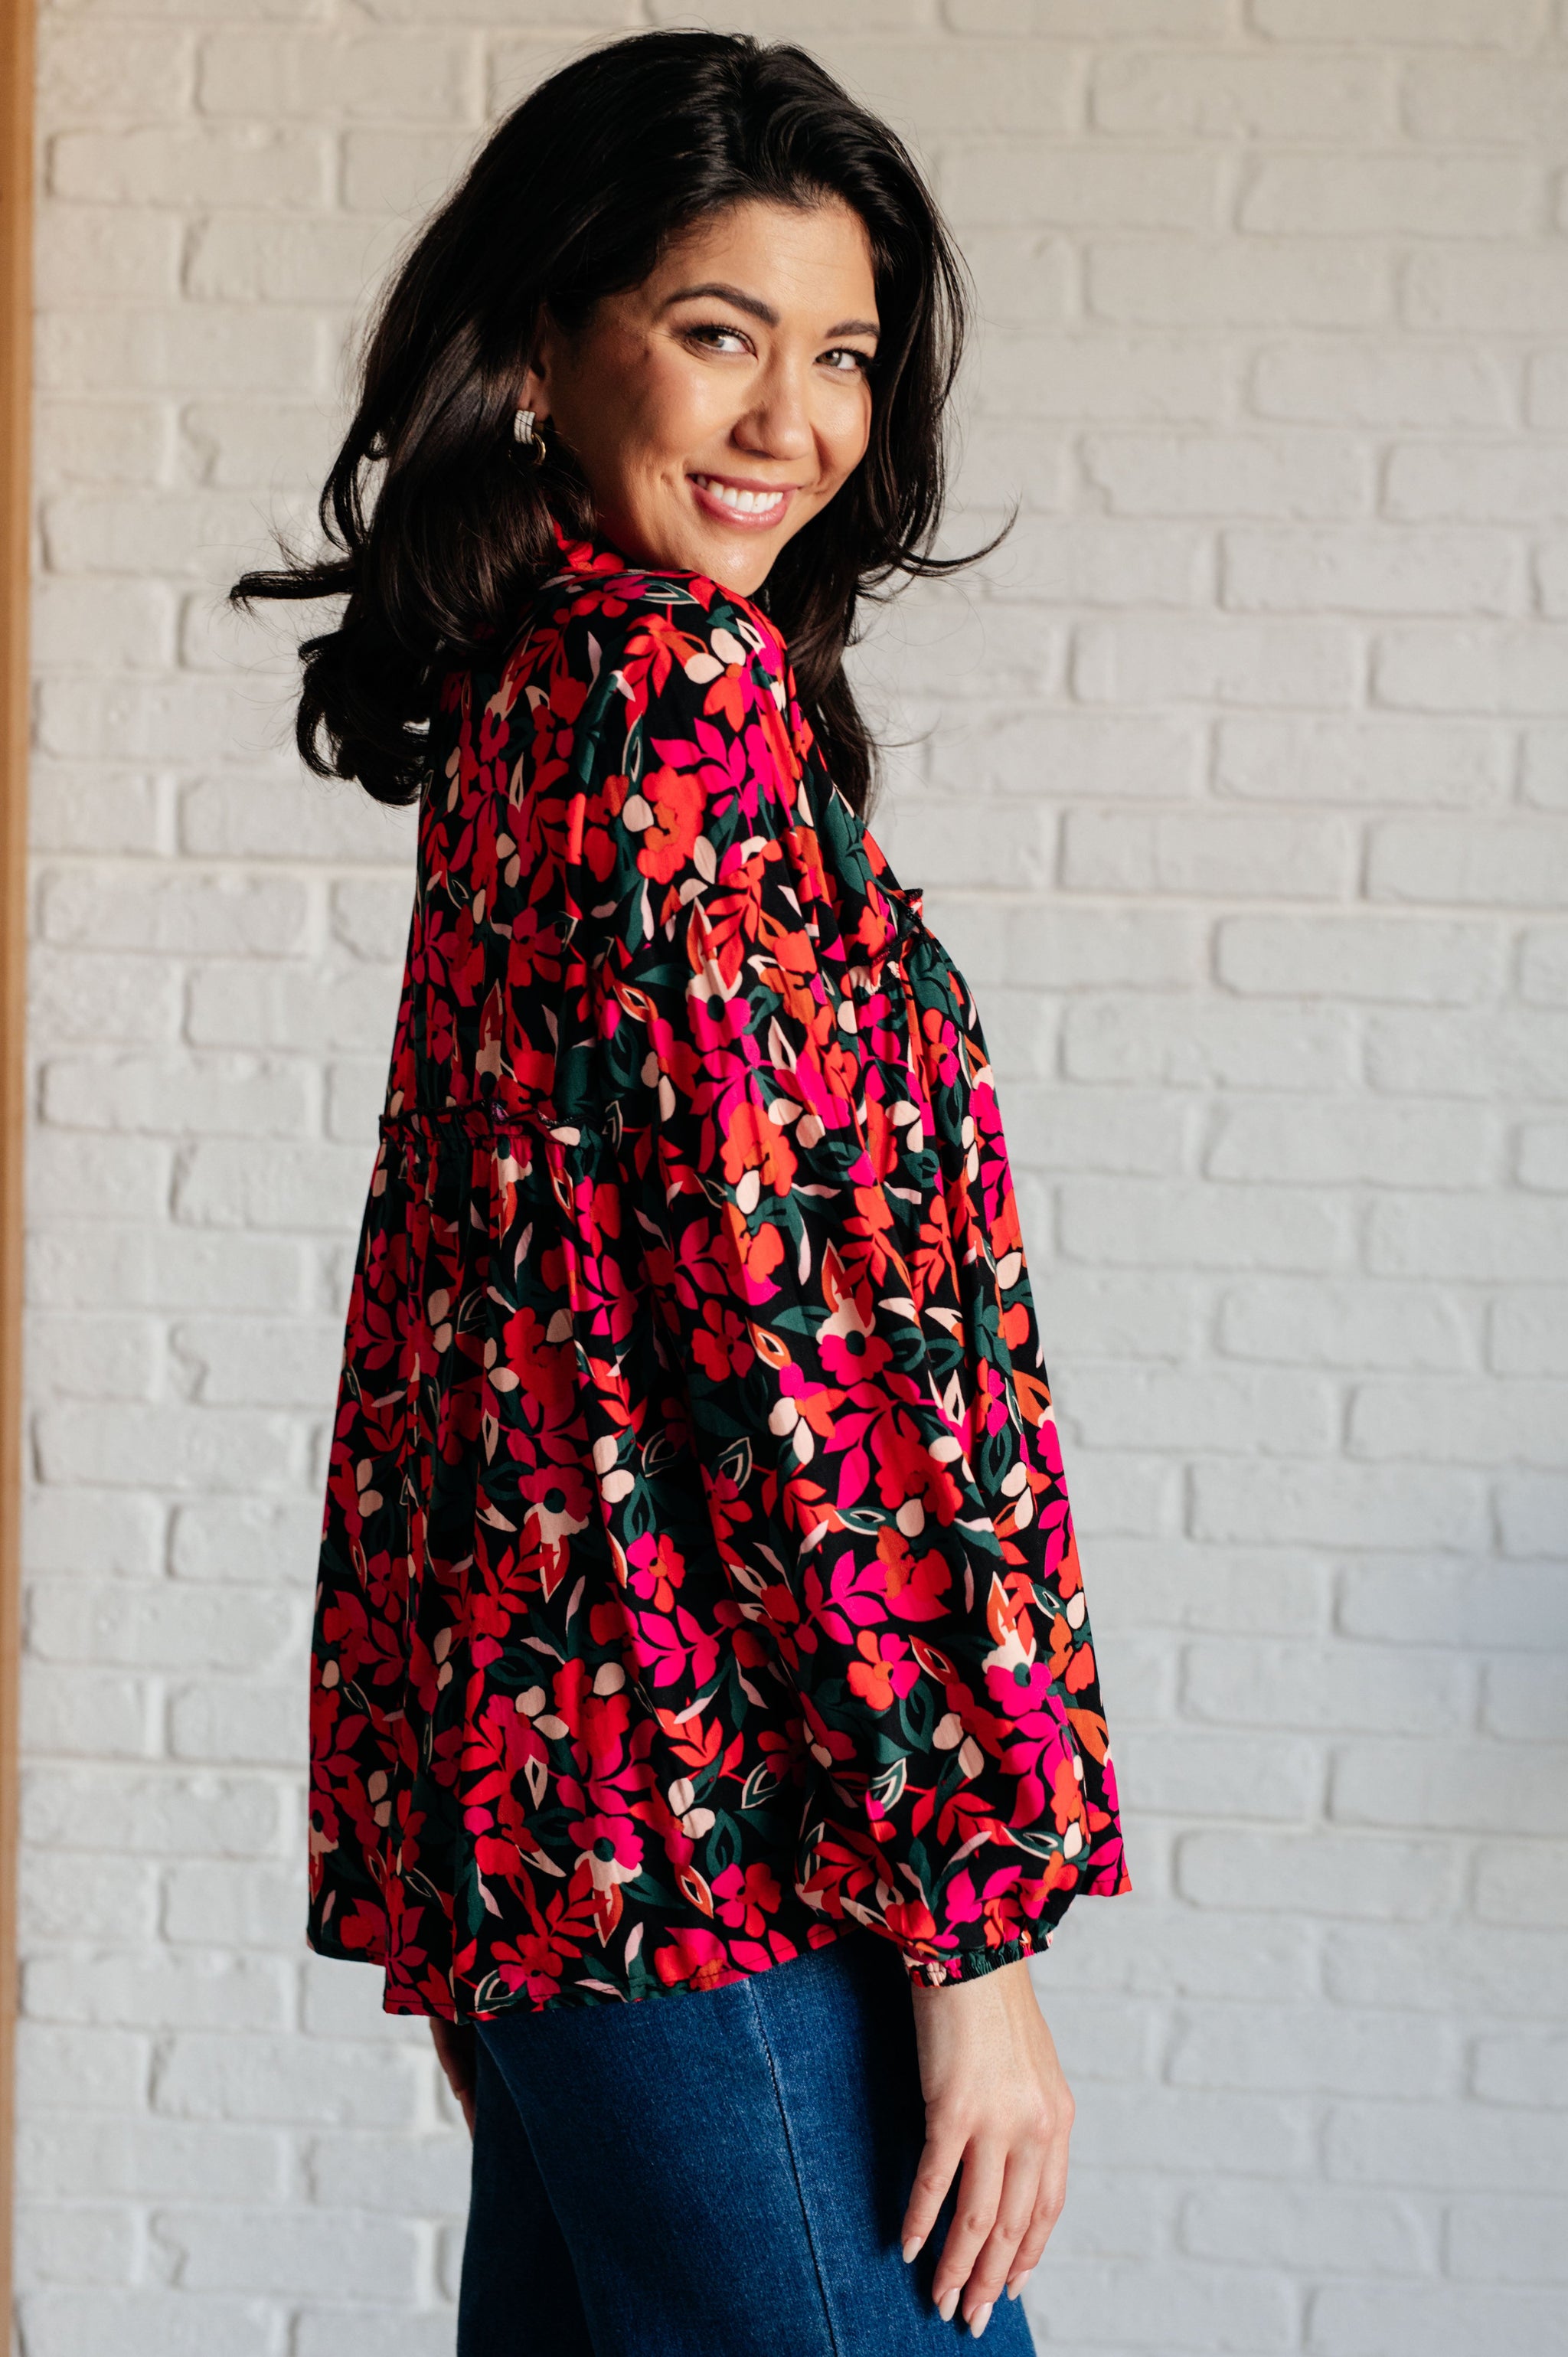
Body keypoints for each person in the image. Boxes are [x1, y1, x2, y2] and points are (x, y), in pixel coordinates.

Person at [235, 29, 1128, 2355]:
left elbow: (474, 1339)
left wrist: (463, 1878)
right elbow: (795, 1353)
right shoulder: (669, 699)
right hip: (722, 1837)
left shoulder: (534, 693)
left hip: (564, 1829)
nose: (792, 423)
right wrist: (973, 1944)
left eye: (841, 356)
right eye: (721, 333)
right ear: (547, 345)